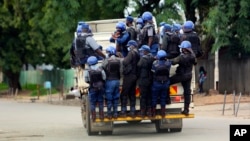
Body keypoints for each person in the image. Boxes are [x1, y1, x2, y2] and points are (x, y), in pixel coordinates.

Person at [170, 41, 197, 115]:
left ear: (184, 49)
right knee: (187, 92)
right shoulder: (192, 56)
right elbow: (195, 62)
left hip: (181, 76)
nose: (181, 49)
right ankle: (186, 110)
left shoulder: (181, 57)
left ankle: (167, 99)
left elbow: (173, 62)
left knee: (167, 82)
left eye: (182, 48)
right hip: (188, 76)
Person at [102, 46, 123, 119]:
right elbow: (121, 71)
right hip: (117, 81)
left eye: (107, 52)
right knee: (116, 97)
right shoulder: (119, 60)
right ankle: (115, 113)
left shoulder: (107, 60)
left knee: (109, 98)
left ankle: (109, 114)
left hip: (109, 81)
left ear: (110, 52)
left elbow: (102, 67)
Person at [120, 40, 140, 117]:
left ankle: (123, 111)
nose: (128, 48)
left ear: (132, 46)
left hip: (129, 76)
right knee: (132, 94)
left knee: (124, 94)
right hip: (135, 75)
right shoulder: (137, 53)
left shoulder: (131, 53)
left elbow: (125, 62)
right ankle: (132, 111)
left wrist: (122, 58)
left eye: (129, 46)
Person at [84, 56, 106, 121]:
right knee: (100, 101)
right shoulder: (100, 69)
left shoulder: (88, 70)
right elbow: (104, 78)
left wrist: (90, 82)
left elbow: (86, 79)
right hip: (101, 87)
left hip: (92, 88)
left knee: (92, 102)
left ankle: (93, 117)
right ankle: (101, 116)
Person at [151, 50, 171, 117]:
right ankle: (163, 112)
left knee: (154, 98)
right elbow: (169, 62)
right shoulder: (168, 63)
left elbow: (152, 71)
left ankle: (153, 112)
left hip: (157, 83)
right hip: (165, 83)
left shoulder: (155, 64)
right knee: (163, 98)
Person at [137, 45, 155, 117]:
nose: (141, 52)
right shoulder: (152, 57)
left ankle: (142, 112)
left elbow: (138, 65)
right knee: (149, 96)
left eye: (142, 51)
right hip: (150, 79)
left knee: (143, 96)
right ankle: (149, 112)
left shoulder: (143, 59)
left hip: (143, 79)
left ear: (145, 51)